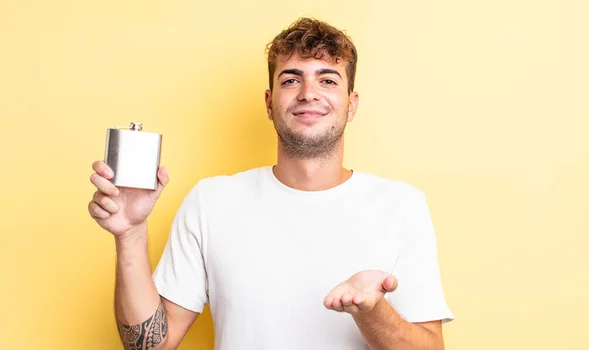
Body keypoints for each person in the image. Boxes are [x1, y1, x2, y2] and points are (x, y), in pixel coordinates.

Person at [88, 17, 453, 350]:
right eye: (291, 79)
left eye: (327, 79)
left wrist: (372, 312)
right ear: (268, 102)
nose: (308, 92)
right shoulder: (211, 201)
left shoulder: (400, 206)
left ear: (351, 104)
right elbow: (150, 347)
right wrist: (131, 234)